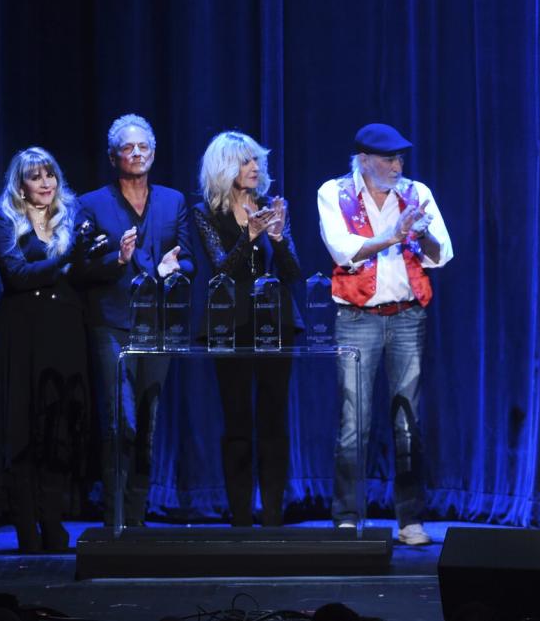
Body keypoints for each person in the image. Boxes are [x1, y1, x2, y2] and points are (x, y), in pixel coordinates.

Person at [317, 123, 453, 545]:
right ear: (364, 161)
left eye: (399, 159)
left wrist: (420, 231)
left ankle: (410, 519)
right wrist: (392, 236)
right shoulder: (334, 193)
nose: (398, 166)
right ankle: (347, 514)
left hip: (407, 316)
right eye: (389, 159)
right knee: (354, 421)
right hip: (357, 318)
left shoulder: (417, 193)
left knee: (407, 420)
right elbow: (343, 250)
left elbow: (442, 254)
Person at [74, 114, 195, 526]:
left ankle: (138, 515)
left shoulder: (173, 200)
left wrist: (175, 268)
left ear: (154, 152)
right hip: (112, 323)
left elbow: (190, 258)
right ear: (114, 156)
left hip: (158, 325)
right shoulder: (91, 204)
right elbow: (81, 266)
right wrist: (119, 260)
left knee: (148, 419)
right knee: (117, 420)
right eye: (128, 148)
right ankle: (115, 516)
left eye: (144, 147)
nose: (137, 153)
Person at [0, 147, 91, 552]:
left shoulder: (71, 217)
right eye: (35, 177)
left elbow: (83, 272)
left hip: (63, 331)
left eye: (50, 175)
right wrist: (65, 258)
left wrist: (110, 258)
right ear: (20, 185)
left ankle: (54, 521)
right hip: (22, 333)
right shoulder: (2, 220)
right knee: (24, 428)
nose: (46, 184)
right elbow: (17, 275)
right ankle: (27, 526)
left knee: (58, 426)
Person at [192, 131, 303, 526]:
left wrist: (278, 238)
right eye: (246, 161)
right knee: (237, 418)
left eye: (257, 160)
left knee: (274, 417)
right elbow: (221, 268)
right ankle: (240, 516)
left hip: (275, 322)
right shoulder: (206, 213)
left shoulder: (269, 207)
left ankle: (273, 513)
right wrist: (249, 236)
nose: (255, 167)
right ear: (225, 167)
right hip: (230, 324)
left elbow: (292, 274)